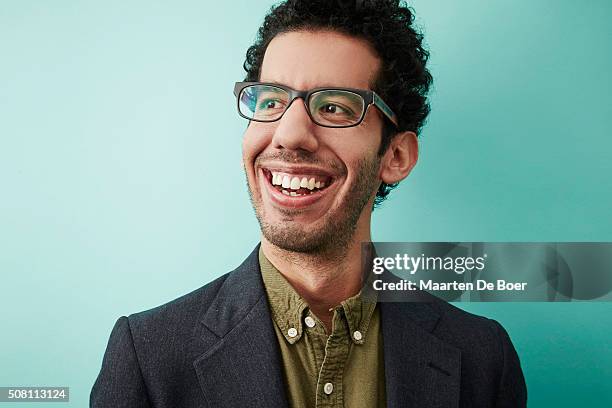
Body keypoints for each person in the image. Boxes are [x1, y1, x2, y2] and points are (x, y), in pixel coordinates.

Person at [91, 1, 527, 407]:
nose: (289, 134)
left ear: (395, 157)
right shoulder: (146, 357)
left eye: (335, 107)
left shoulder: (484, 359)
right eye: (272, 101)